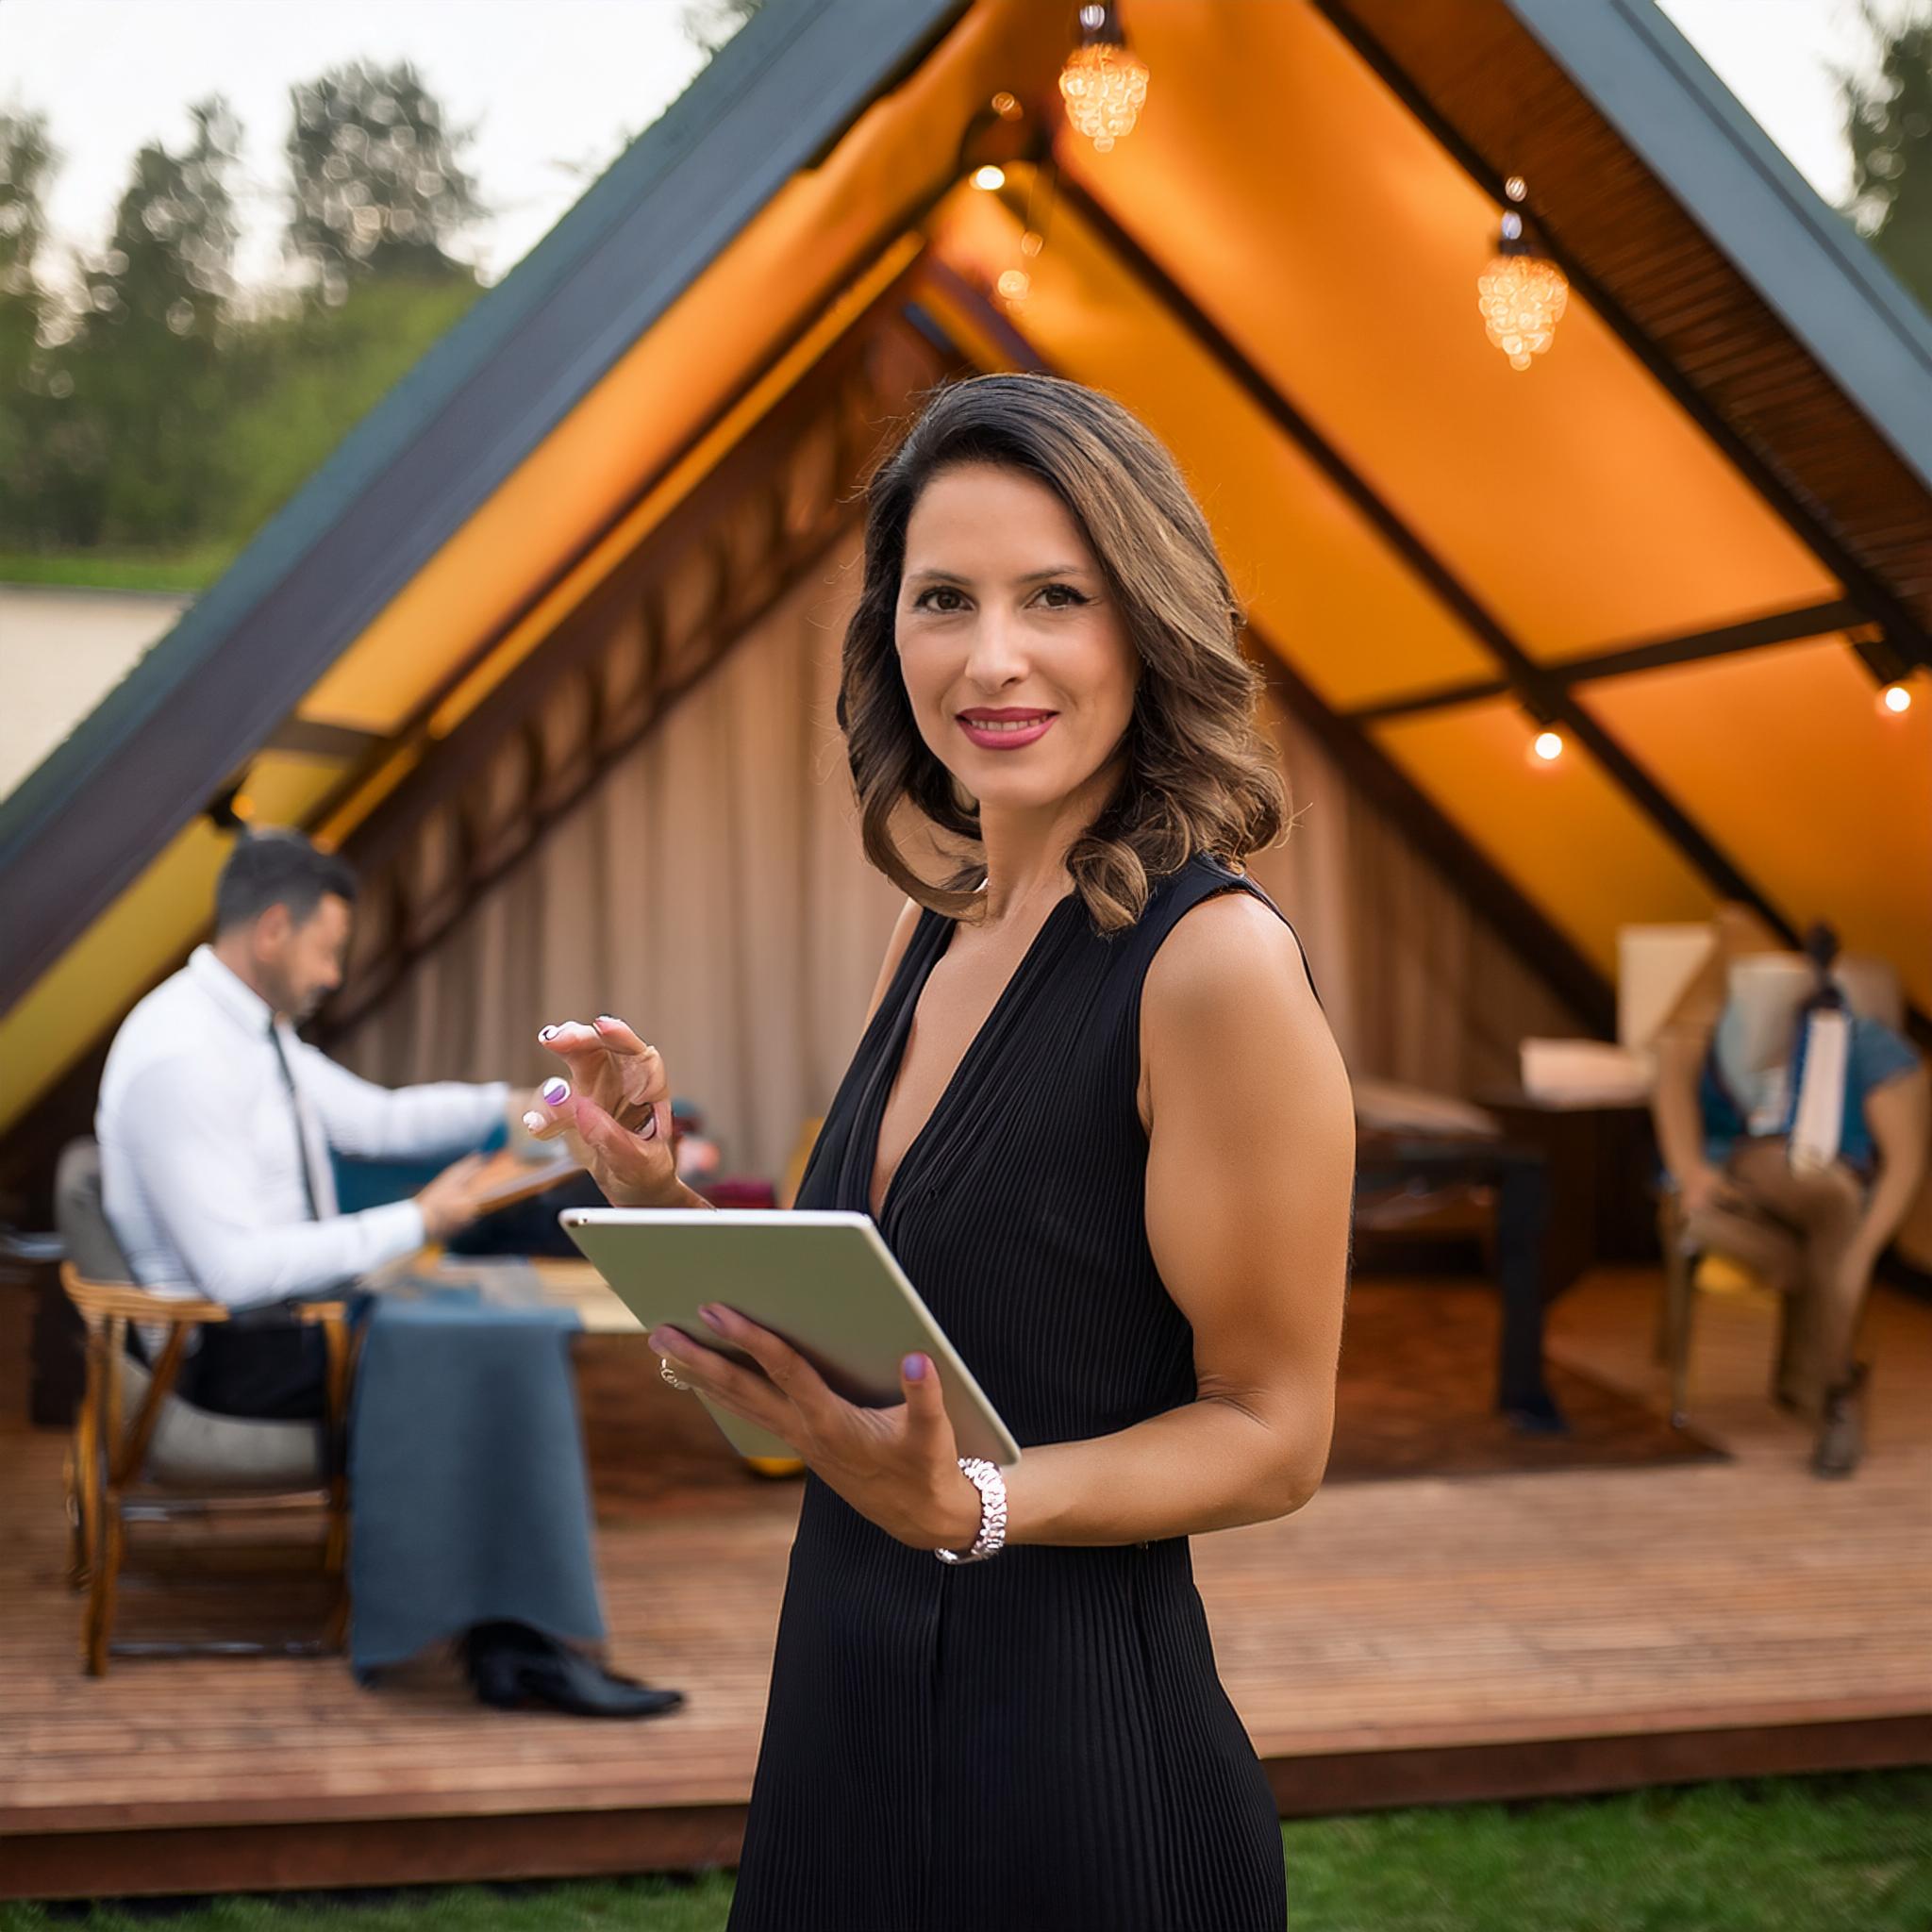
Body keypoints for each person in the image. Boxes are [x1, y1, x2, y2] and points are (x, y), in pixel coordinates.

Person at [525, 375, 1356, 1928]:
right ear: (885, 635)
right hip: (842, 1715)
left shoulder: (1209, 967)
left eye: (1057, 595)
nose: (992, 655)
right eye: (941, 599)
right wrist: (662, 1208)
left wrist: (979, 1504)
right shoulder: (939, 918)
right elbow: (884, 1349)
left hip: (1079, 1784)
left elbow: (1273, 1431)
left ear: (1147, 622)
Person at [95, 828, 682, 1719]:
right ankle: (514, 1642)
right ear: (274, 930)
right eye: (329, 952)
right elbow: (237, 1272)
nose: (333, 975)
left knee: (503, 1309)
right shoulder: (182, 1057)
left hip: (296, 1317)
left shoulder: (250, 1033)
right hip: (223, 1352)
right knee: (498, 1337)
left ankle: (513, 1635)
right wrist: (421, 1218)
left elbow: (374, 1119)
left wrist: (510, 1108)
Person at [1651, 906, 1929, 1477]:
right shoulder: (1721, 1044)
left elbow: (1905, 1162)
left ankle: (1826, 1387)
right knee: (1826, 1209)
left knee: (1836, 1205)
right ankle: (1836, 1391)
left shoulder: (1864, 1043)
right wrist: (1692, 1170)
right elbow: (1670, 1069)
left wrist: (1859, 1257)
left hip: (1824, 1185)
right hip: (1742, 1178)